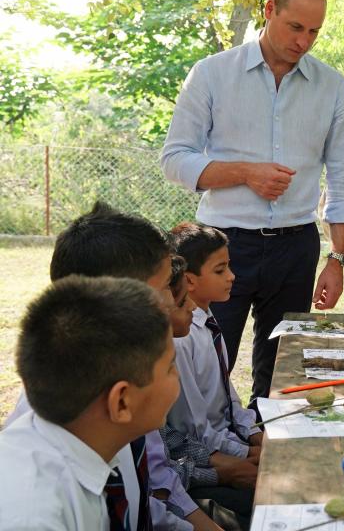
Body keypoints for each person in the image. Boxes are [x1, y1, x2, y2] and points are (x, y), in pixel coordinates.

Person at [161, 0, 344, 401]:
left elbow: (342, 179)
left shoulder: (333, 87)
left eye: (314, 32)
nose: (304, 41)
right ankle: (208, 463)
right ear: (269, 11)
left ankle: (267, 457)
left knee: (283, 373)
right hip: (221, 248)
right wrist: (246, 173)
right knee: (209, 363)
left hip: (296, 247)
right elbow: (174, 159)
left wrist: (337, 258)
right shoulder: (212, 74)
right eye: (295, 27)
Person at [5, 202, 223, 531]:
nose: (176, 299)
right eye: (166, 285)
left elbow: (140, 505)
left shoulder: (99, 427)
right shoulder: (33, 512)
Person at [0, 276, 179, 530]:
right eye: (171, 366)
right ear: (121, 402)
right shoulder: (35, 517)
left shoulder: (82, 451)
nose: (178, 375)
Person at [168, 223, 264, 526]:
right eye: (220, 270)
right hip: (208, 453)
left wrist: (255, 435)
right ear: (189, 280)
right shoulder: (182, 336)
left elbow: (229, 395)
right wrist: (245, 452)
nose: (232, 277)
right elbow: (194, 428)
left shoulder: (206, 319)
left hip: (226, 440)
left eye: (230, 267)